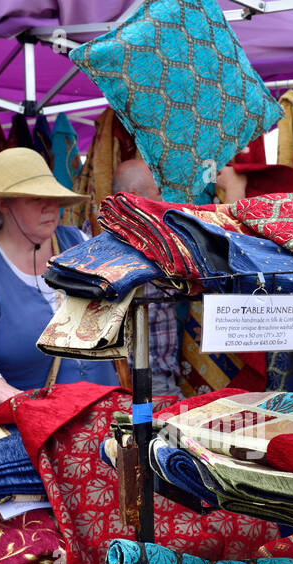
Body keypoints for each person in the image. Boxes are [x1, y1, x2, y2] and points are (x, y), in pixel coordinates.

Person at [0, 147, 118, 410]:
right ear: (3, 204)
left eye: (53, 197)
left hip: (105, 419)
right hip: (29, 431)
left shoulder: (79, 243)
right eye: (35, 198)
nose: (50, 207)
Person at [111, 158, 181, 396]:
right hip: (145, 378)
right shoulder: (147, 242)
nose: (162, 199)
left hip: (146, 374)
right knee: (167, 432)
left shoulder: (97, 236)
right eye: (158, 192)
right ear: (134, 196)